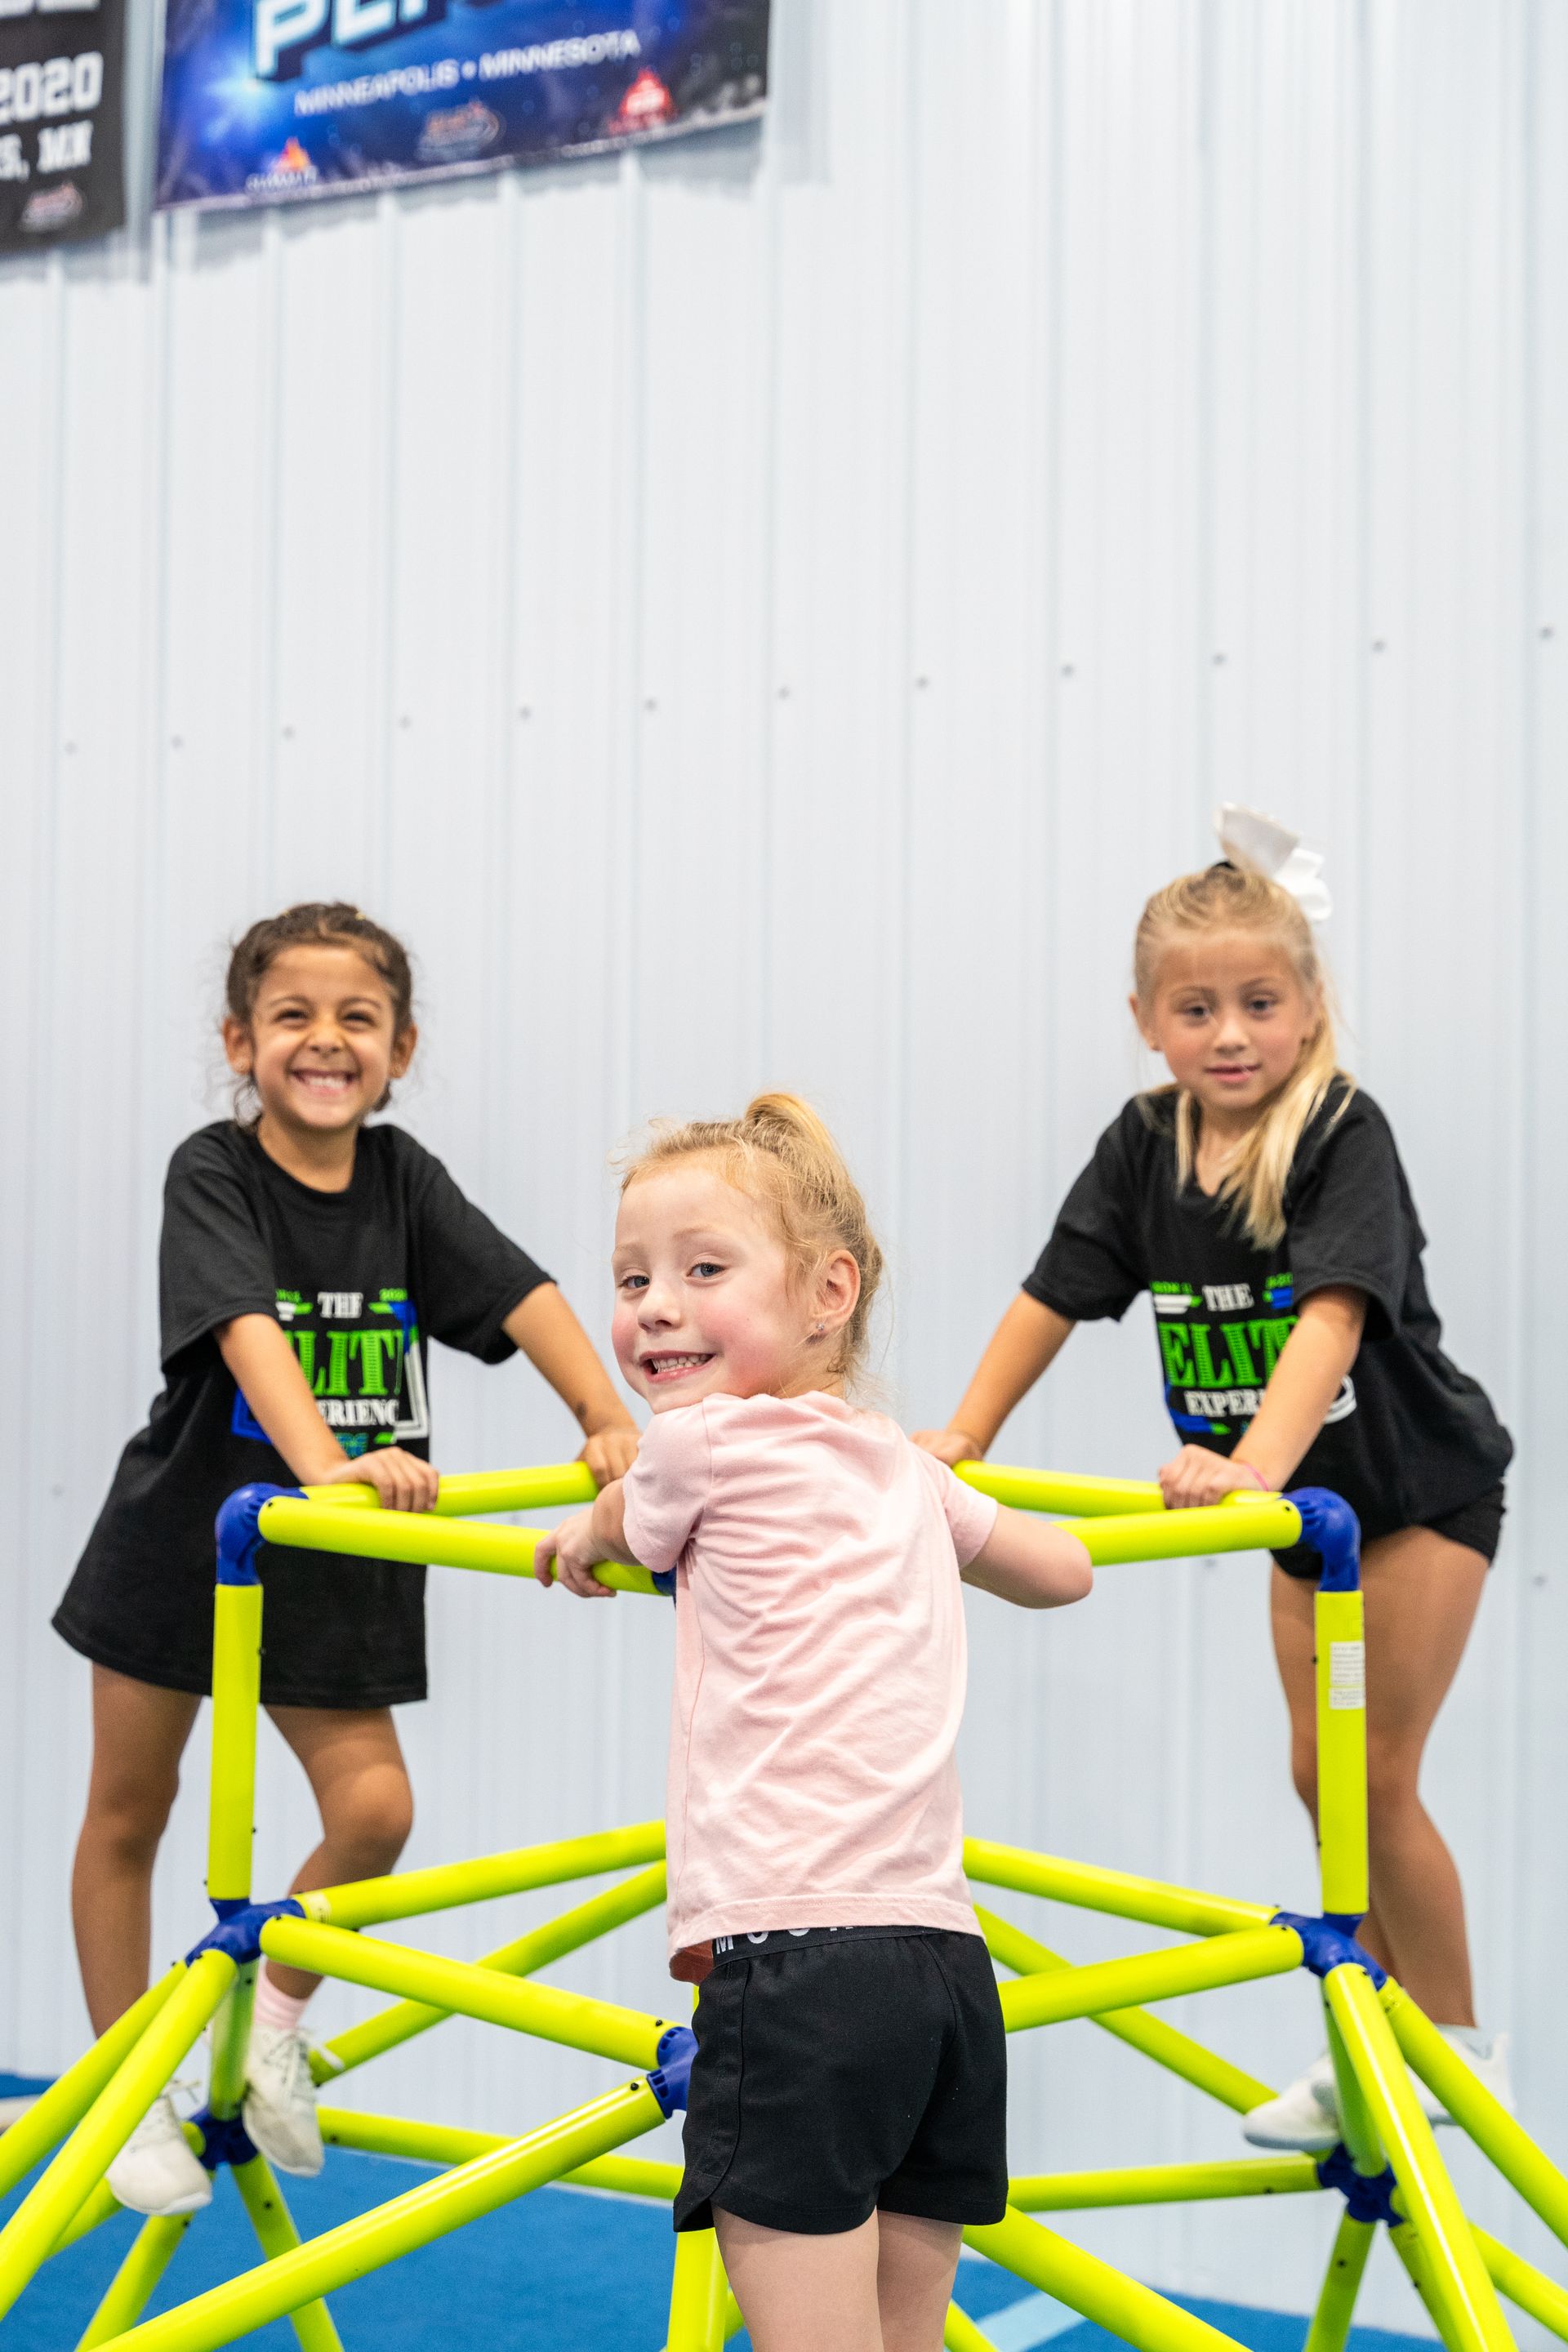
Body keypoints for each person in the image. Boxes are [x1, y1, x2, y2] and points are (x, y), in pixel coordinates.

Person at [915, 813, 1514, 2153]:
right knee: (1321, 1777)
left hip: (1411, 1496)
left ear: (1310, 1009)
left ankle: (1462, 2052)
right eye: (1198, 1008)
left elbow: (1334, 1323)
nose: (1231, 1032)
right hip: (1300, 1510)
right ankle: (1365, 2036)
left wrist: (1248, 1471)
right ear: (1147, 1019)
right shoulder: (1144, 1145)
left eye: (1260, 1002)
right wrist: (964, 1436)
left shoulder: (1340, 1129)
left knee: (1379, 1772)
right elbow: (1051, 1296)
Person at [55, 902, 639, 2219]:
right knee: (131, 1815)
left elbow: (525, 1295)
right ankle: (124, 2082)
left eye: (357, 1019)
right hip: (191, 1539)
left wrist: (603, 1415)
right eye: (293, 1017)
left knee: (374, 1813)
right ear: (239, 1040)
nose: (325, 1042)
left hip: (337, 1561)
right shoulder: (214, 1169)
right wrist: (321, 1462)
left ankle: (263, 2024)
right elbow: (247, 1327)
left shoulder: (403, 1182)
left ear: (401, 1046)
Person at [536, 1094, 1093, 2352]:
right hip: (945, 1970)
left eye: (703, 1270)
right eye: (632, 1278)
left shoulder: (703, 1444)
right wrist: (950, 1505)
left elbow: (621, 1522)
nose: (655, 1307)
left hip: (795, 1963)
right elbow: (1065, 1572)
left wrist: (577, 1535)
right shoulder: (906, 1469)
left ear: (829, 1292)